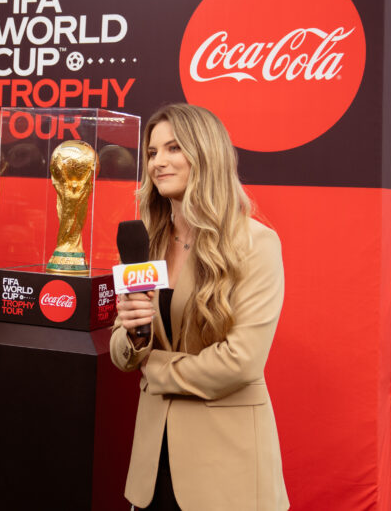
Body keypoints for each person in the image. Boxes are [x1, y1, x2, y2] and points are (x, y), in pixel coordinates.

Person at [110, 103, 288, 510]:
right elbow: (123, 351)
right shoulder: (146, 243)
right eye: (153, 152)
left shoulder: (254, 242)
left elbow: (241, 362)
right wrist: (134, 335)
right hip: (152, 469)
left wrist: (152, 367)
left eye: (174, 149)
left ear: (206, 154)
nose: (158, 162)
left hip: (226, 469)